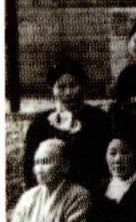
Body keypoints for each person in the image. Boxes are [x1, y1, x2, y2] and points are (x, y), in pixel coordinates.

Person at [22, 58, 111, 191]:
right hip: (49, 190)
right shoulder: (40, 124)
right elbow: (30, 166)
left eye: (73, 86)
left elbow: (105, 164)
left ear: (83, 86)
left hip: (90, 190)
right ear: (52, 89)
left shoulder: (100, 120)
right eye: (61, 87)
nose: (68, 92)